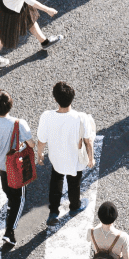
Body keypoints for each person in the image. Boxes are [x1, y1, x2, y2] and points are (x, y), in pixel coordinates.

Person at [0, 90, 38, 247]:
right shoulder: (19, 123)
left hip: (1, 162)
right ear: (10, 105)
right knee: (20, 198)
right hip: (15, 165)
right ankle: (10, 231)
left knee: (6, 185)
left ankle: (9, 201)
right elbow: (31, 144)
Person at [37, 81, 95, 221]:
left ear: (55, 99)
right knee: (74, 184)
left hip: (56, 158)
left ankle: (53, 212)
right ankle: (74, 207)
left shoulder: (47, 116)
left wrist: (39, 155)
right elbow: (88, 141)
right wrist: (91, 158)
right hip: (75, 160)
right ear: (72, 98)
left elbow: (41, 141)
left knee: (56, 182)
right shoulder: (81, 117)